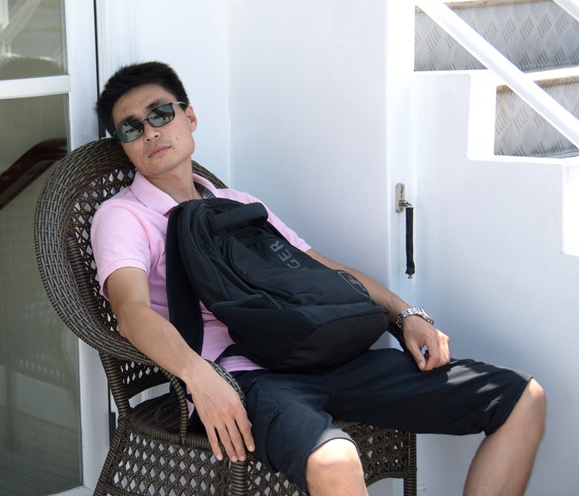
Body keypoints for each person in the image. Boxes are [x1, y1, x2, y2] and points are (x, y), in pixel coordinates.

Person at [89, 61, 546, 496]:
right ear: (124, 145)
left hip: (318, 352)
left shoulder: (237, 204)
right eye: (131, 128)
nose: (150, 131)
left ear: (189, 117)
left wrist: (405, 314)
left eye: (160, 113)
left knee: (521, 398)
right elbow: (131, 312)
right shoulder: (123, 216)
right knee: (334, 461)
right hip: (245, 378)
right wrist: (198, 375)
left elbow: (323, 268)